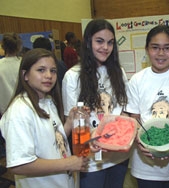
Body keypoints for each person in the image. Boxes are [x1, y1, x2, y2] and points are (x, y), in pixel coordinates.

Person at [0, 48, 89, 188]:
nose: (49, 75)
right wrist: (68, 163)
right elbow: (19, 164)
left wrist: (70, 122)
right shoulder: (20, 112)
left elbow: (52, 141)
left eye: (53, 71)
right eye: (41, 70)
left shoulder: (47, 101)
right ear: (25, 75)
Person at [124, 25, 169, 188]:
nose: (161, 53)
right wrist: (140, 142)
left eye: (167, 48)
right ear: (147, 49)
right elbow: (134, 117)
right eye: (155, 48)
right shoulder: (137, 80)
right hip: (145, 166)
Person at [62, 19, 129, 188]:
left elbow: (124, 111)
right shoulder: (73, 76)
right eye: (99, 41)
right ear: (88, 42)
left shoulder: (118, 72)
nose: (105, 48)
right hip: (90, 160)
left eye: (110, 43)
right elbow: (73, 122)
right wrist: (91, 140)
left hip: (118, 156)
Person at [0, 32, 22, 115]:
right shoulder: (25, 63)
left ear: (3, 46)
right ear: (19, 47)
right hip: (25, 105)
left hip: (5, 110)